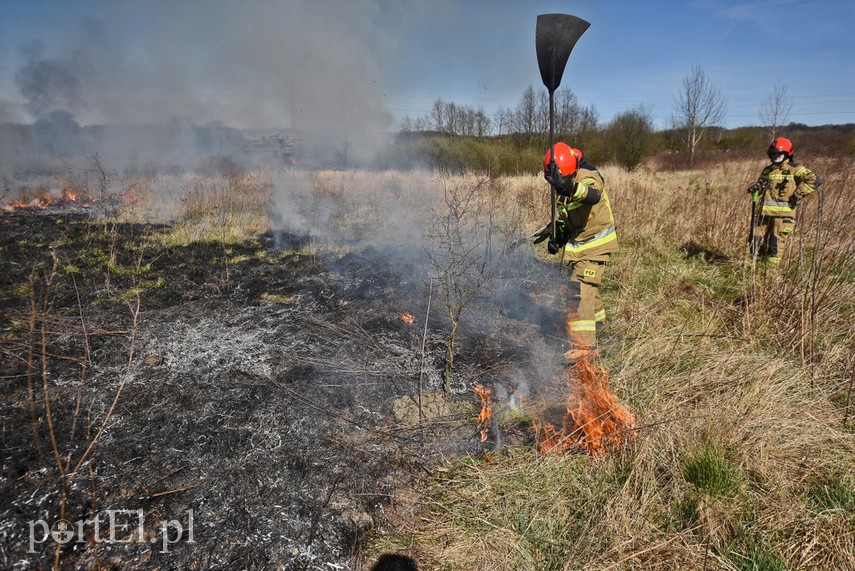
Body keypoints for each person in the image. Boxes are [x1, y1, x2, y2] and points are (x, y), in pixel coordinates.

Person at [535, 142, 618, 362]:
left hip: (596, 245)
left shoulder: (587, 176)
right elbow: (568, 218)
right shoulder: (564, 187)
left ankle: (584, 346)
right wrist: (558, 238)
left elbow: (592, 196)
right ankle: (597, 326)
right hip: (584, 247)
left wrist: (569, 187)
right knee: (590, 288)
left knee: (578, 289)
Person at [748, 137, 820, 267]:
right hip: (764, 213)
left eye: (779, 153)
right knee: (755, 241)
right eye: (774, 154)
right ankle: (757, 270)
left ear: (787, 154)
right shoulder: (767, 170)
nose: (776, 156)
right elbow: (762, 183)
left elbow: (814, 180)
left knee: (775, 244)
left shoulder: (795, 168)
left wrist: (798, 195)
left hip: (783, 215)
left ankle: (771, 272)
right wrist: (757, 187)